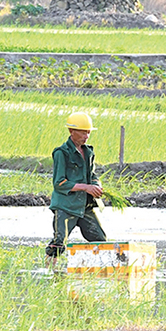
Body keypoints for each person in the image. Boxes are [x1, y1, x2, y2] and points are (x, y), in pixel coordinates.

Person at [45, 111, 107, 269]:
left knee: (100, 239)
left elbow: (91, 175)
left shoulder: (88, 152)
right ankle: (50, 270)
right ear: (72, 132)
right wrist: (86, 187)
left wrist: (96, 184)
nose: (86, 136)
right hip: (66, 206)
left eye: (88, 132)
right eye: (83, 132)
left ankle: (100, 269)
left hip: (84, 206)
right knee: (59, 242)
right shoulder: (61, 153)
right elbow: (59, 183)